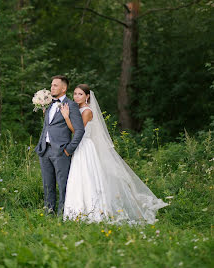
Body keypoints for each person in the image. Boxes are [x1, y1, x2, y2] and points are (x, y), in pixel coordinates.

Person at [60, 84, 168, 225]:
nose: (76, 96)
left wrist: (66, 117)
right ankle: (76, 211)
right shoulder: (77, 109)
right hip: (79, 147)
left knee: (87, 177)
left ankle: (92, 211)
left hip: (85, 146)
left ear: (87, 96)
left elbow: (77, 130)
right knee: (78, 178)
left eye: (80, 94)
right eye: (75, 94)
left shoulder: (87, 111)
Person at [35, 75, 85, 215]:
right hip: (45, 150)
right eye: (51, 85)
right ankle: (48, 214)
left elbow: (80, 130)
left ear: (64, 88)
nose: (52, 88)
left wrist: (68, 150)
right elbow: (47, 126)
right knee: (47, 185)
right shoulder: (48, 104)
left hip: (61, 152)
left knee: (63, 186)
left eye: (55, 85)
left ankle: (62, 215)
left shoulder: (72, 105)